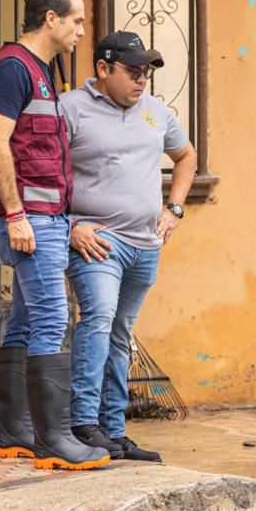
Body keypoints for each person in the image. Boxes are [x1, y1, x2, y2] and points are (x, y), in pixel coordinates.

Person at [0, 0, 110, 470]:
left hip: (47, 217)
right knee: (53, 317)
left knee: (26, 319)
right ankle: (55, 440)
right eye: (76, 21)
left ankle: (16, 431)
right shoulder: (13, 69)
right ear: (50, 20)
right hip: (29, 219)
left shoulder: (40, 72)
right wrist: (15, 215)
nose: (81, 31)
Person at [60, 31, 194, 463]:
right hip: (98, 242)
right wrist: (69, 226)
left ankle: (115, 433)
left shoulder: (156, 112)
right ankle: (84, 422)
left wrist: (174, 209)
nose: (141, 82)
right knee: (97, 320)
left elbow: (186, 156)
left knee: (120, 334)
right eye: (133, 72)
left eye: (146, 74)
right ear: (103, 68)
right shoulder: (70, 109)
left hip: (145, 245)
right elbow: (41, 172)